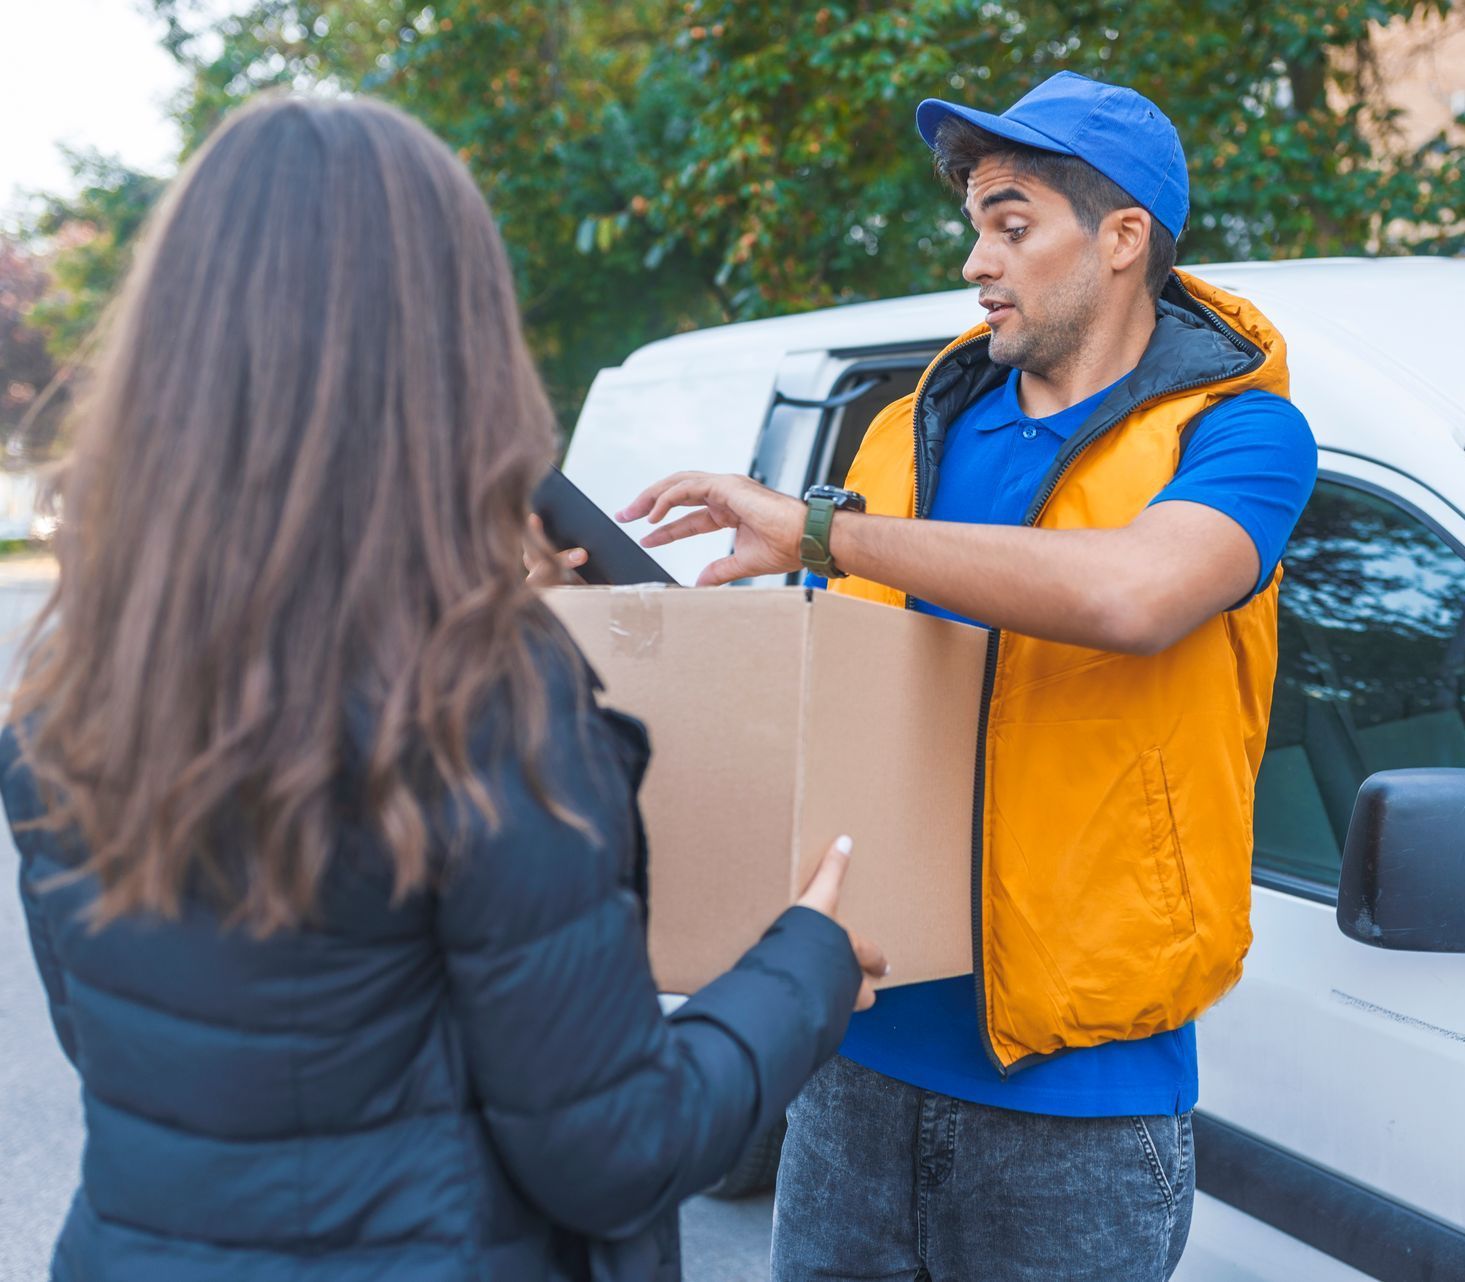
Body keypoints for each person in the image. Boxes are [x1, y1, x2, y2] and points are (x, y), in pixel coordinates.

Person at [0, 94, 886, 1282]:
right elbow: (616, 1148)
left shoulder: (71, 689)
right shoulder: (478, 700)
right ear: (448, 347)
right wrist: (808, 965)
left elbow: (156, 1058)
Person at [616, 71, 1318, 1281]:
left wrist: (820, 532)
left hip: (1079, 1113)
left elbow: (1132, 595)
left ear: (1120, 239)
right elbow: (829, 692)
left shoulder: (1239, 434)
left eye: (1010, 224)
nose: (976, 262)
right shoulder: (908, 430)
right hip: (852, 1066)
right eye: (975, 229)